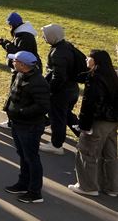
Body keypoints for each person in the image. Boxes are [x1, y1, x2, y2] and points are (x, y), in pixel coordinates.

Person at [68, 49, 118, 197]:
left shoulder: (95, 78)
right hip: (112, 121)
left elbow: (90, 104)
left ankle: (87, 186)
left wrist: (84, 125)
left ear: (96, 61)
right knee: (110, 154)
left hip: (97, 121)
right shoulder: (112, 75)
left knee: (86, 152)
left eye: (89, 57)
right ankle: (112, 187)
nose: (86, 60)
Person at [3, 51, 51, 204]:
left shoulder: (38, 82)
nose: (12, 62)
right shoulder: (20, 74)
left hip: (29, 126)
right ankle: (23, 184)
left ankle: (35, 193)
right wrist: (8, 108)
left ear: (23, 65)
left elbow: (43, 106)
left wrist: (22, 112)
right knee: (23, 155)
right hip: (18, 123)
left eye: (15, 60)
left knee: (31, 158)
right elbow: (14, 94)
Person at [40, 23, 83, 155]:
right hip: (72, 89)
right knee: (67, 115)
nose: (43, 38)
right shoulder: (67, 46)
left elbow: (58, 77)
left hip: (61, 92)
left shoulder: (58, 53)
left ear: (53, 36)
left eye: (45, 36)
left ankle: (56, 145)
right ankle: (83, 136)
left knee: (57, 118)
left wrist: (50, 90)